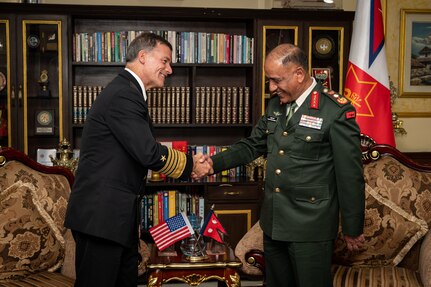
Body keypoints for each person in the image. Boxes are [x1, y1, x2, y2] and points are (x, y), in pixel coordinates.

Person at [197, 43, 365, 287]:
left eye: (276, 80)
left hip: (311, 226)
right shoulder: (277, 105)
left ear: (299, 74)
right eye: (269, 80)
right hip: (274, 222)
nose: (271, 87)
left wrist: (352, 227)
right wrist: (212, 163)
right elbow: (252, 145)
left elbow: (350, 175)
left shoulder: (335, 111)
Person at [64, 33, 211, 287]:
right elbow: (148, 152)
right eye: (164, 61)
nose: (170, 68)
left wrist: (188, 164)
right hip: (103, 217)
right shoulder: (125, 94)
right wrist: (191, 166)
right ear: (143, 56)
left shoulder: (128, 90)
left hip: (115, 215)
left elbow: (141, 150)